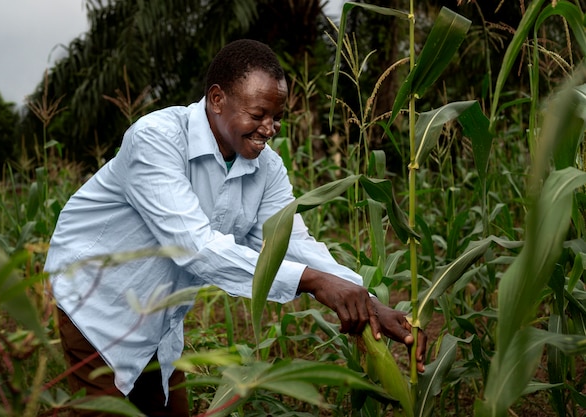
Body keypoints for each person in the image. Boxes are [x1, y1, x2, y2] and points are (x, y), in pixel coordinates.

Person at [44, 39, 426, 417]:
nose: (269, 129)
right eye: (258, 114)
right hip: (98, 304)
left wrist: (369, 302)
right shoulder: (156, 139)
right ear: (216, 99)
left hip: (159, 322)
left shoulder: (268, 168)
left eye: (277, 118)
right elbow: (195, 248)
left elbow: (292, 243)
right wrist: (314, 282)